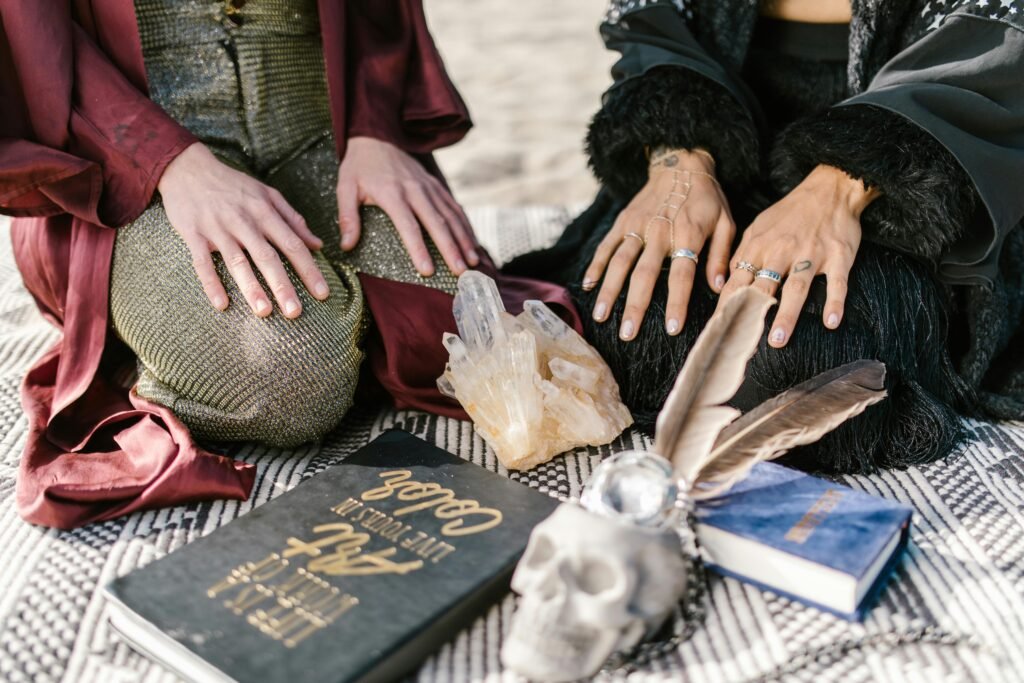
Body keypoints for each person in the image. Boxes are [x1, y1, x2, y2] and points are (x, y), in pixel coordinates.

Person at [0, 0, 577, 528]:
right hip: (130, 159)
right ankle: (147, 343)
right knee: (289, 383)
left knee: (480, 337)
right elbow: (34, 40)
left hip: (322, 123)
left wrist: (374, 128)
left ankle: (297, 331)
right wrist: (160, 160)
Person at [506, 0, 1024, 473]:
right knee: (633, 319)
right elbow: (654, 27)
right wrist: (679, 156)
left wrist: (847, 181)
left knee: (808, 360)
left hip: (922, 158)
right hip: (726, 139)